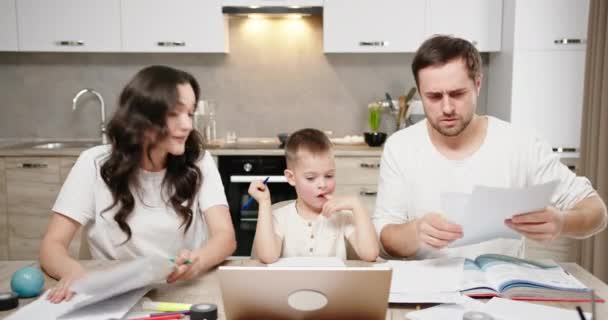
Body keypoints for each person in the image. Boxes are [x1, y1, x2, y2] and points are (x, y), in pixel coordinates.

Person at [373, 35, 607, 259]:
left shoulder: (520, 144)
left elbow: (597, 211)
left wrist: (563, 222)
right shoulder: (401, 147)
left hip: (501, 289)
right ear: (420, 92)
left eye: (457, 94)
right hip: (424, 292)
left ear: (477, 83)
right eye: (434, 96)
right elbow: (384, 239)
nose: (447, 108)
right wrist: (414, 233)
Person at [39, 65, 236, 303]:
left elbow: (225, 236)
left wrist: (199, 261)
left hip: (179, 290)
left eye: (190, 113)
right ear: (143, 117)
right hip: (111, 293)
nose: (187, 125)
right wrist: (74, 272)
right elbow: (52, 245)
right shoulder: (93, 163)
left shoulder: (199, 162)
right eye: (175, 113)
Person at [247, 128, 379, 263]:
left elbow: (370, 254)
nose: (322, 184)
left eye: (329, 175)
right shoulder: (279, 217)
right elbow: (267, 257)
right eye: (311, 178)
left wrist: (356, 205)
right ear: (291, 178)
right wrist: (264, 203)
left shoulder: (343, 216)